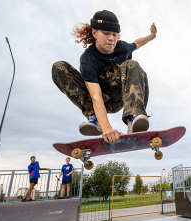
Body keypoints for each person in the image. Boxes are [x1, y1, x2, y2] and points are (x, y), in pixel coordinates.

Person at [52, 10, 157, 144]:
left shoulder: (123, 48)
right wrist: (107, 129)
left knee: (131, 64)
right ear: (94, 33)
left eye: (115, 34)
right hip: (98, 100)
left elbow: (138, 43)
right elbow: (96, 96)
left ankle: (133, 116)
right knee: (59, 67)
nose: (111, 38)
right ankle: (94, 118)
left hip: (120, 96)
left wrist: (152, 35)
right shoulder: (88, 59)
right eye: (106, 33)